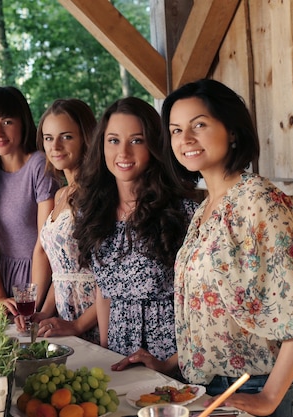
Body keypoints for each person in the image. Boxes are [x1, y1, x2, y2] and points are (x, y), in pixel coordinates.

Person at [159, 79, 293, 417]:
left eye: (199, 125)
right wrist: (168, 363)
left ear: (232, 131)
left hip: (252, 384)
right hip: (204, 384)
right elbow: (214, 308)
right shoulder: (204, 209)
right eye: (176, 130)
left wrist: (268, 398)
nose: (185, 139)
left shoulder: (258, 200)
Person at [72, 97, 197, 363]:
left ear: (153, 146)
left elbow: (200, 303)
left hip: (173, 359)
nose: (124, 153)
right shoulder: (93, 213)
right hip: (119, 357)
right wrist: (106, 353)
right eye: (114, 140)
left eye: (136, 140)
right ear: (101, 146)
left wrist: (169, 364)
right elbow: (104, 293)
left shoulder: (182, 213)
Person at [0, 86, 58, 314]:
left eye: (6, 122)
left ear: (22, 122)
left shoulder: (39, 164)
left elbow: (44, 244)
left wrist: (30, 303)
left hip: (41, 276)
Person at [17, 98, 99, 342]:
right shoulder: (61, 194)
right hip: (64, 318)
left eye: (67, 137)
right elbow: (62, 272)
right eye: (48, 137)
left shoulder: (99, 194)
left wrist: (77, 325)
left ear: (86, 137)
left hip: (93, 318)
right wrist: (43, 312)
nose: (56, 146)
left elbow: (114, 277)